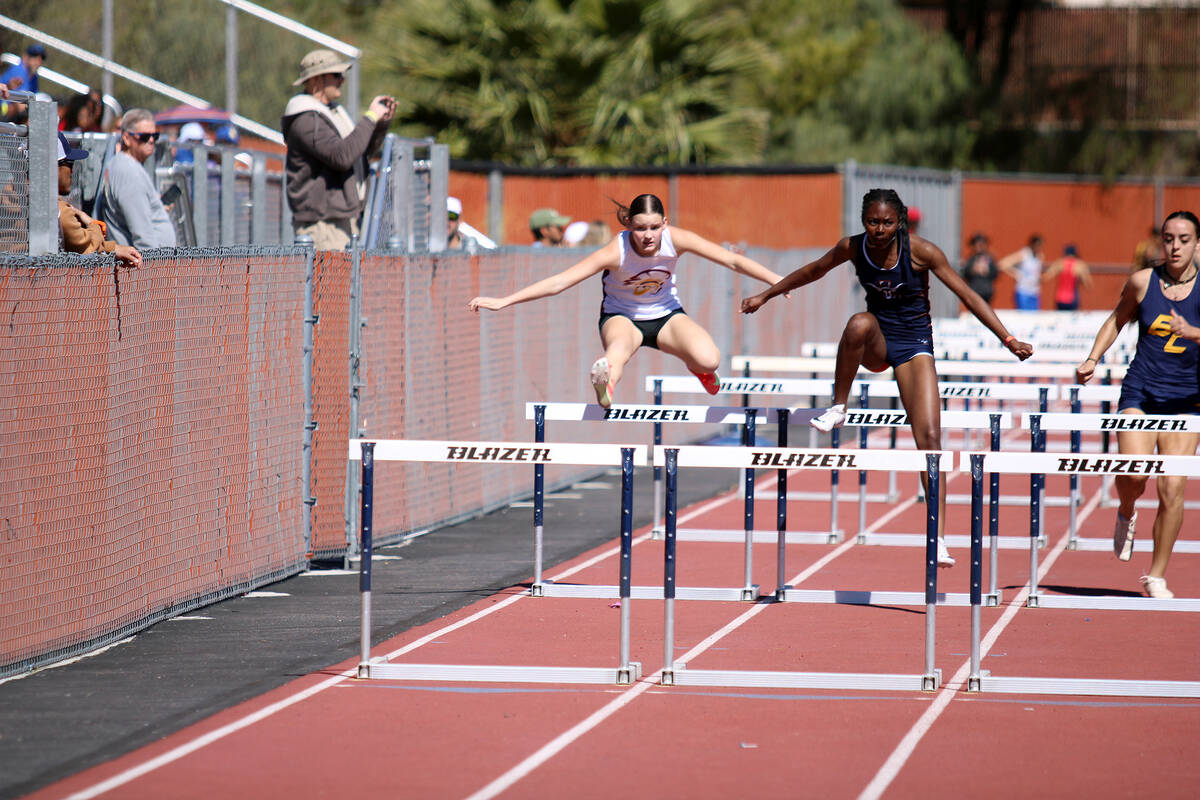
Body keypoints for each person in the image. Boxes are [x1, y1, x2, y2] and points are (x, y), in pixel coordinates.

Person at [741, 189, 1033, 567]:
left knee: (929, 438)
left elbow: (968, 295)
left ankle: (939, 537)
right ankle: (838, 408)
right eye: (872, 222)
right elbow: (814, 270)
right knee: (858, 322)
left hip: (914, 344)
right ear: (864, 221)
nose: (879, 230)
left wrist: (1007, 338)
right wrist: (767, 294)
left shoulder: (922, 252)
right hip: (878, 340)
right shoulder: (853, 247)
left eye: (887, 223)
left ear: (900, 223)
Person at [469, 192, 785, 407]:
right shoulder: (615, 251)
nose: (648, 236)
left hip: (666, 316)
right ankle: (604, 384)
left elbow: (731, 260)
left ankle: (700, 370)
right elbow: (561, 281)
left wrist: (776, 281)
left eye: (654, 228)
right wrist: (504, 301)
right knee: (617, 352)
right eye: (639, 229)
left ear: (665, 223)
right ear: (629, 226)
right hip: (622, 317)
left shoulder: (678, 240)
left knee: (709, 358)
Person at [1076, 211, 1200, 599]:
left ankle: (1156, 575)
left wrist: (1192, 331)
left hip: (1187, 399)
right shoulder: (1143, 282)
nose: (1175, 246)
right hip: (1141, 393)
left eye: (1183, 239)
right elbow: (1116, 320)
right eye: (1168, 239)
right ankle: (1127, 508)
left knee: (1172, 490)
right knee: (1134, 475)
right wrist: (1093, 358)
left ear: (1197, 243)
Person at [282, 49, 396, 251]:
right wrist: (370, 117)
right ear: (317, 79)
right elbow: (341, 157)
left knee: (348, 283)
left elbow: (358, 155)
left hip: (340, 221)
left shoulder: (332, 112)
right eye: (336, 75)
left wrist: (379, 125)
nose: (342, 80)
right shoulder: (305, 119)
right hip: (322, 225)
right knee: (330, 284)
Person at [56, 133, 141, 266]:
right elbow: (85, 246)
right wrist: (92, 223)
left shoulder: (20, 198)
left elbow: (88, 243)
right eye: (69, 163)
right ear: (52, 167)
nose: (72, 171)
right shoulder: (59, 210)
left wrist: (112, 248)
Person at [98, 108, 177, 249]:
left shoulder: (130, 167)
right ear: (127, 138)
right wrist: (153, 265)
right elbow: (143, 237)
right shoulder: (128, 172)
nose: (151, 141)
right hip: (147, 265)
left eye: (155, 136)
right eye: (144, 136)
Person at [999, 235, 1045, 310]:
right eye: (1038, 245)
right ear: (1032, 244)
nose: (1039, 248)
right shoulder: (1023, 254)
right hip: (1023, 292)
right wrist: (1016, 273)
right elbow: (1003, 264)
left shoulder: (1040, 256)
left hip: (1035, 293)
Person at [1042, 244, 1092, 311]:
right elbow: (1087, 284)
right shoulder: (1079, 265)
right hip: (1073, 299)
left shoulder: (1059, 263)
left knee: (1061, 319)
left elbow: (1046, 277)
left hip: (1060, 298)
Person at [960, 232, 999, 305]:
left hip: (986, 291)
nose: (979, 246)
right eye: (977, 244)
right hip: (974, 290)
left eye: (982, 244)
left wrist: (987, 270)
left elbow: (996, 273)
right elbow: (964, 273)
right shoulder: (971, 259)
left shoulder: (989, 258)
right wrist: (973, 270)